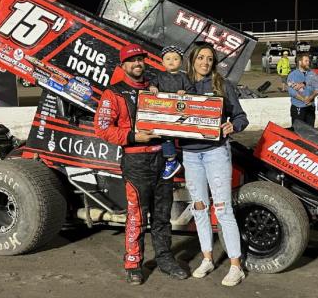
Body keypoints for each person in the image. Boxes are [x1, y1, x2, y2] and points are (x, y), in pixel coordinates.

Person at [94, 43, 188, 285]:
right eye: (132, 60)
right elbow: (102, 128)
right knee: (137, 215)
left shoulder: (156, 87)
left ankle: (165, 259)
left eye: (140, 59)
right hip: (136, 160)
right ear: (123, 65)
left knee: (162, 214)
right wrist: (134, 136)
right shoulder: (113, 92)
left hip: (163, 159)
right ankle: (133, 263)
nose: (138, 64)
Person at [180, 43, 249, 287]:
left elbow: (241, 117)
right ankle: (207, 258)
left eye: (209, 59)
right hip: (190, 154)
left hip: (216, 152)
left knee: (222, 209)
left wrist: (233, 126)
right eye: (201, 58)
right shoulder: (182, 84)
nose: (205, 62)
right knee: (199, 207)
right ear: (192, 60)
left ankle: (235, 266)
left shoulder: (222, 85)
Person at [149, 45, 195, 179]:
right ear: (162, 62)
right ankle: (171, 160)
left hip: (181, 112)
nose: (171, 61)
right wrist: (152, 87)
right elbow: (150, 85)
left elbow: (192, 91)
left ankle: (187, 161)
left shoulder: (183, 77)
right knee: (165, 137)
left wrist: (185, 92)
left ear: (181, 62)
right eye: (168, 59)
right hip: (164, 111)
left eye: (175, 59)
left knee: (184, 138)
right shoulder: (159, 76)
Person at [287, 53, 318, 127]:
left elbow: (317, 88)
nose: (308, 62)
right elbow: (292, 92)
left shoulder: (312, 74)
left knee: (310, 131)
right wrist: (303, 99)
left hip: (310, 107)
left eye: (309, 61)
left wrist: (310, 98)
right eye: (306, 61)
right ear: (300, 62)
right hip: (298, 107)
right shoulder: (292, 75)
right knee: (298, 131)